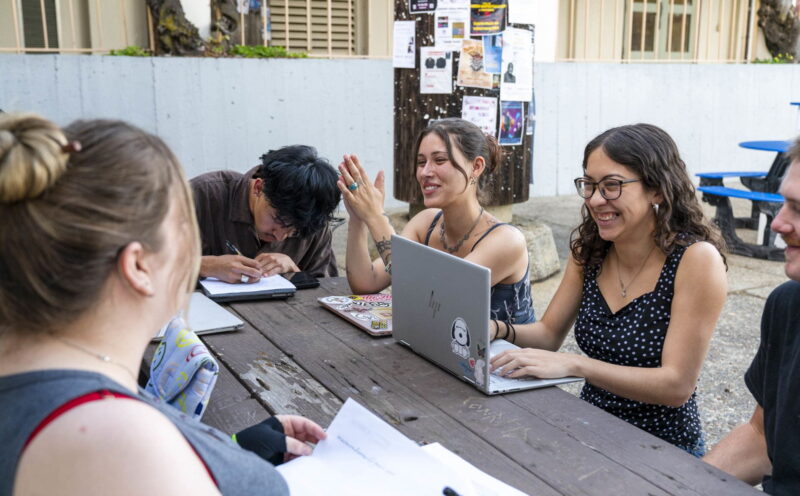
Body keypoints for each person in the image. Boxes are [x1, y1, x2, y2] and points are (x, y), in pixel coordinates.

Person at [0, 114, 326, 495]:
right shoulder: (115, 441)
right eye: (183, 238)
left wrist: (232, 449)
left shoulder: (39, 381)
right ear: (139, 266)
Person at [490, 123, 728, 456]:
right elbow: (548, 334)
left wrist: (577, 366)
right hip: (588, 431)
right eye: (589, 185)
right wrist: (495, 329)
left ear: (657, 190)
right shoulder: (591, 250)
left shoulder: (696, 260)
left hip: (664, 451)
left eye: (612, 186)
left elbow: (676, 386)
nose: (596, 199)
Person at [340, 117, 534, 324]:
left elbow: (431, 302)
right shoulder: (425, 223)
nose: (425, 172)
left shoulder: (506, 240)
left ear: (476, 167)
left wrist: (376, 217)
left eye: (439, 160)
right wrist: (358, 219)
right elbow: (366, 282)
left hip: (501, 354)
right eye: (421, 162)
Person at [704, 141, 800, 494]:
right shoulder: (787, 306)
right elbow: (762, 439)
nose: (778, 223)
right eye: (784, 203)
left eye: (798, 209)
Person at [192, 145, 340, 283]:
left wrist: (295, 272)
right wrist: (206, 266)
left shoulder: (312, 217)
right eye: (278, 220)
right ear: (258, 188)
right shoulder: (200, 195)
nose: (280, 237)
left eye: (294, 231)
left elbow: (327, 290)